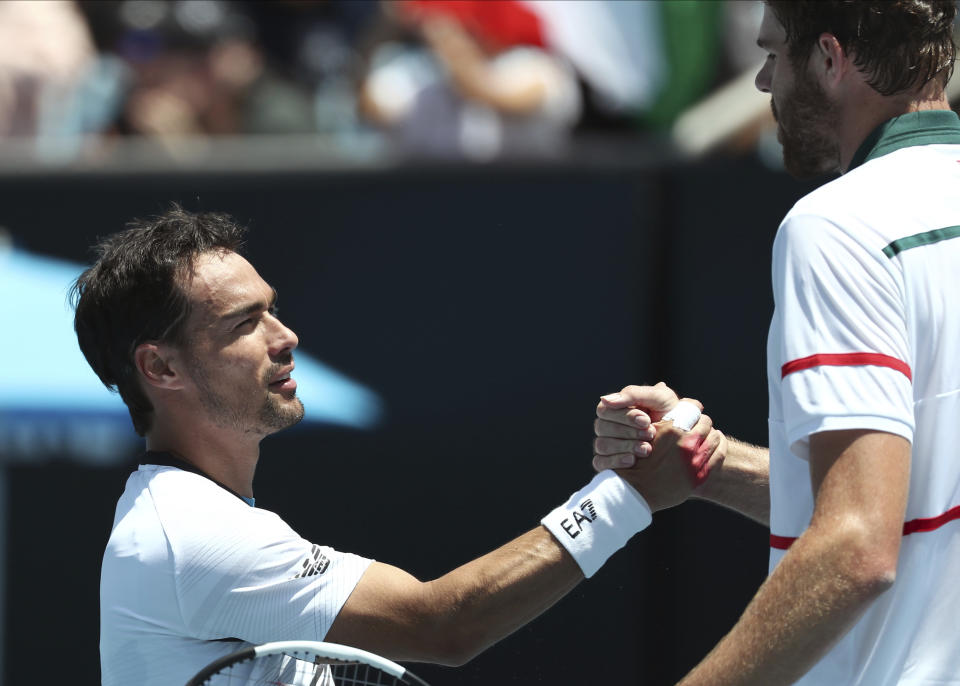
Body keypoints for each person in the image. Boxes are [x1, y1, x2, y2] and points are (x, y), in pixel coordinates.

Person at [73, 206, 722, 686]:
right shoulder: (191, 535)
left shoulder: (189, 520)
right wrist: (626, 497)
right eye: (245, 323)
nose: (285, 335)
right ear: (160, 369)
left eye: (272, 309)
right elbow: (440, 625)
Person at [593, 1, 960, 684]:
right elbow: (910, 494)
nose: (763, 83)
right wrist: (714, 465)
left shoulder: (838, 227)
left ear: (829, 58)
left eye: (772, 55)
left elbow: (857, 544)